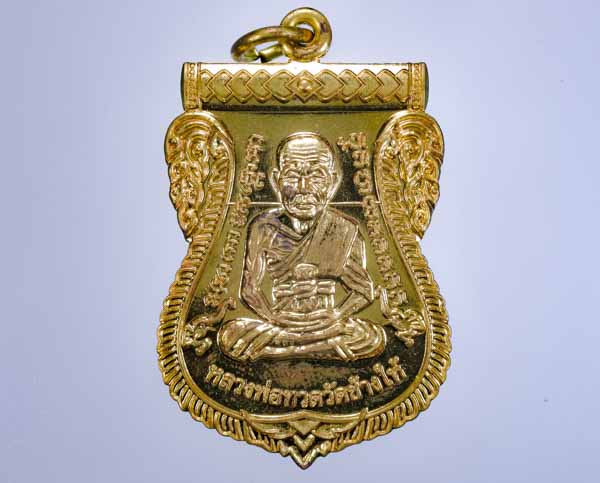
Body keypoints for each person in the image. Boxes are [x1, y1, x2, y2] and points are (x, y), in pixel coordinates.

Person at [217, 132, 385, 361]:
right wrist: (273, 317)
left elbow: (364, 291)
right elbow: (250, 289)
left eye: (316, 176)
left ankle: (283, 352)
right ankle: (319, 350)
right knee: (231, 333)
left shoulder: (344, 229)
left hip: (325, 323)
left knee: (370, 336)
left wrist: (336, 315)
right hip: (281, 322)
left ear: (332, 181)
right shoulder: (263, 227)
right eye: (292, 175)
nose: (303, 188)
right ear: (276, 180)